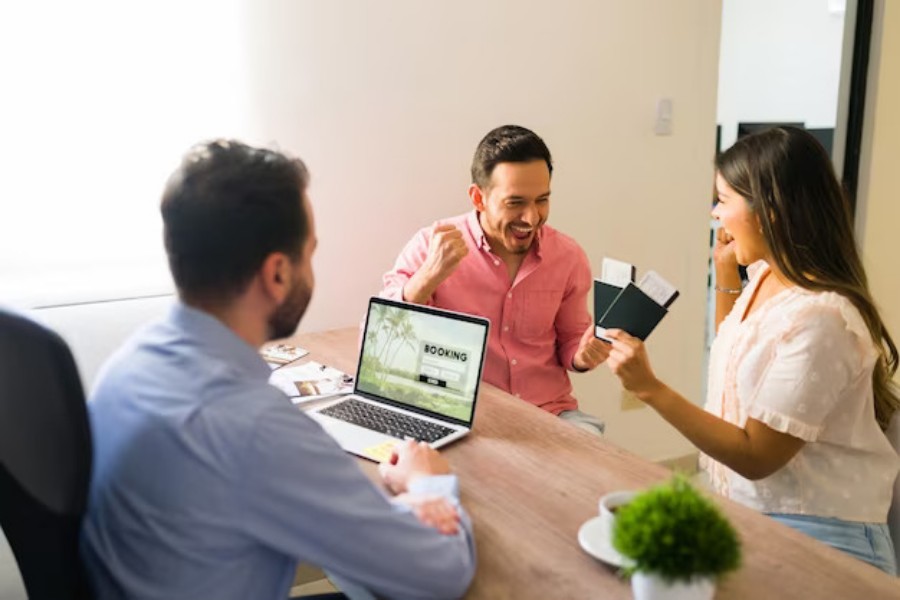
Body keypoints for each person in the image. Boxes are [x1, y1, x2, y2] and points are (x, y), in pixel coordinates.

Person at [80, 140, 476, 599]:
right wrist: (429, 486)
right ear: (277, 274)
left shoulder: (131, 361)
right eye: (310, 252)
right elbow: (441, 573)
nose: (312, 269)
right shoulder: (251, 426)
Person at [604, 126, 899, 574]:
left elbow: (756, 455)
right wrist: (727, 271)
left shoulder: (822, 319)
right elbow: (738, 347)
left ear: (770, 212)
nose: (715, 214)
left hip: (825, 540)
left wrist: (650, 389)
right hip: (756, 517)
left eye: (722, 200)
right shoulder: (766, 274)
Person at [380, 125, 610, 434]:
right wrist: (428, 277)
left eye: (542, 200)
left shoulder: (568, 257)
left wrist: (584, 355)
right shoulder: (432, 245)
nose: (531, 218)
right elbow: (381, 342)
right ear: (478, 197)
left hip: (549, 414)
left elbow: (571, 343)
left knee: (595, 461)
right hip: (465, 418)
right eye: (515, 203)